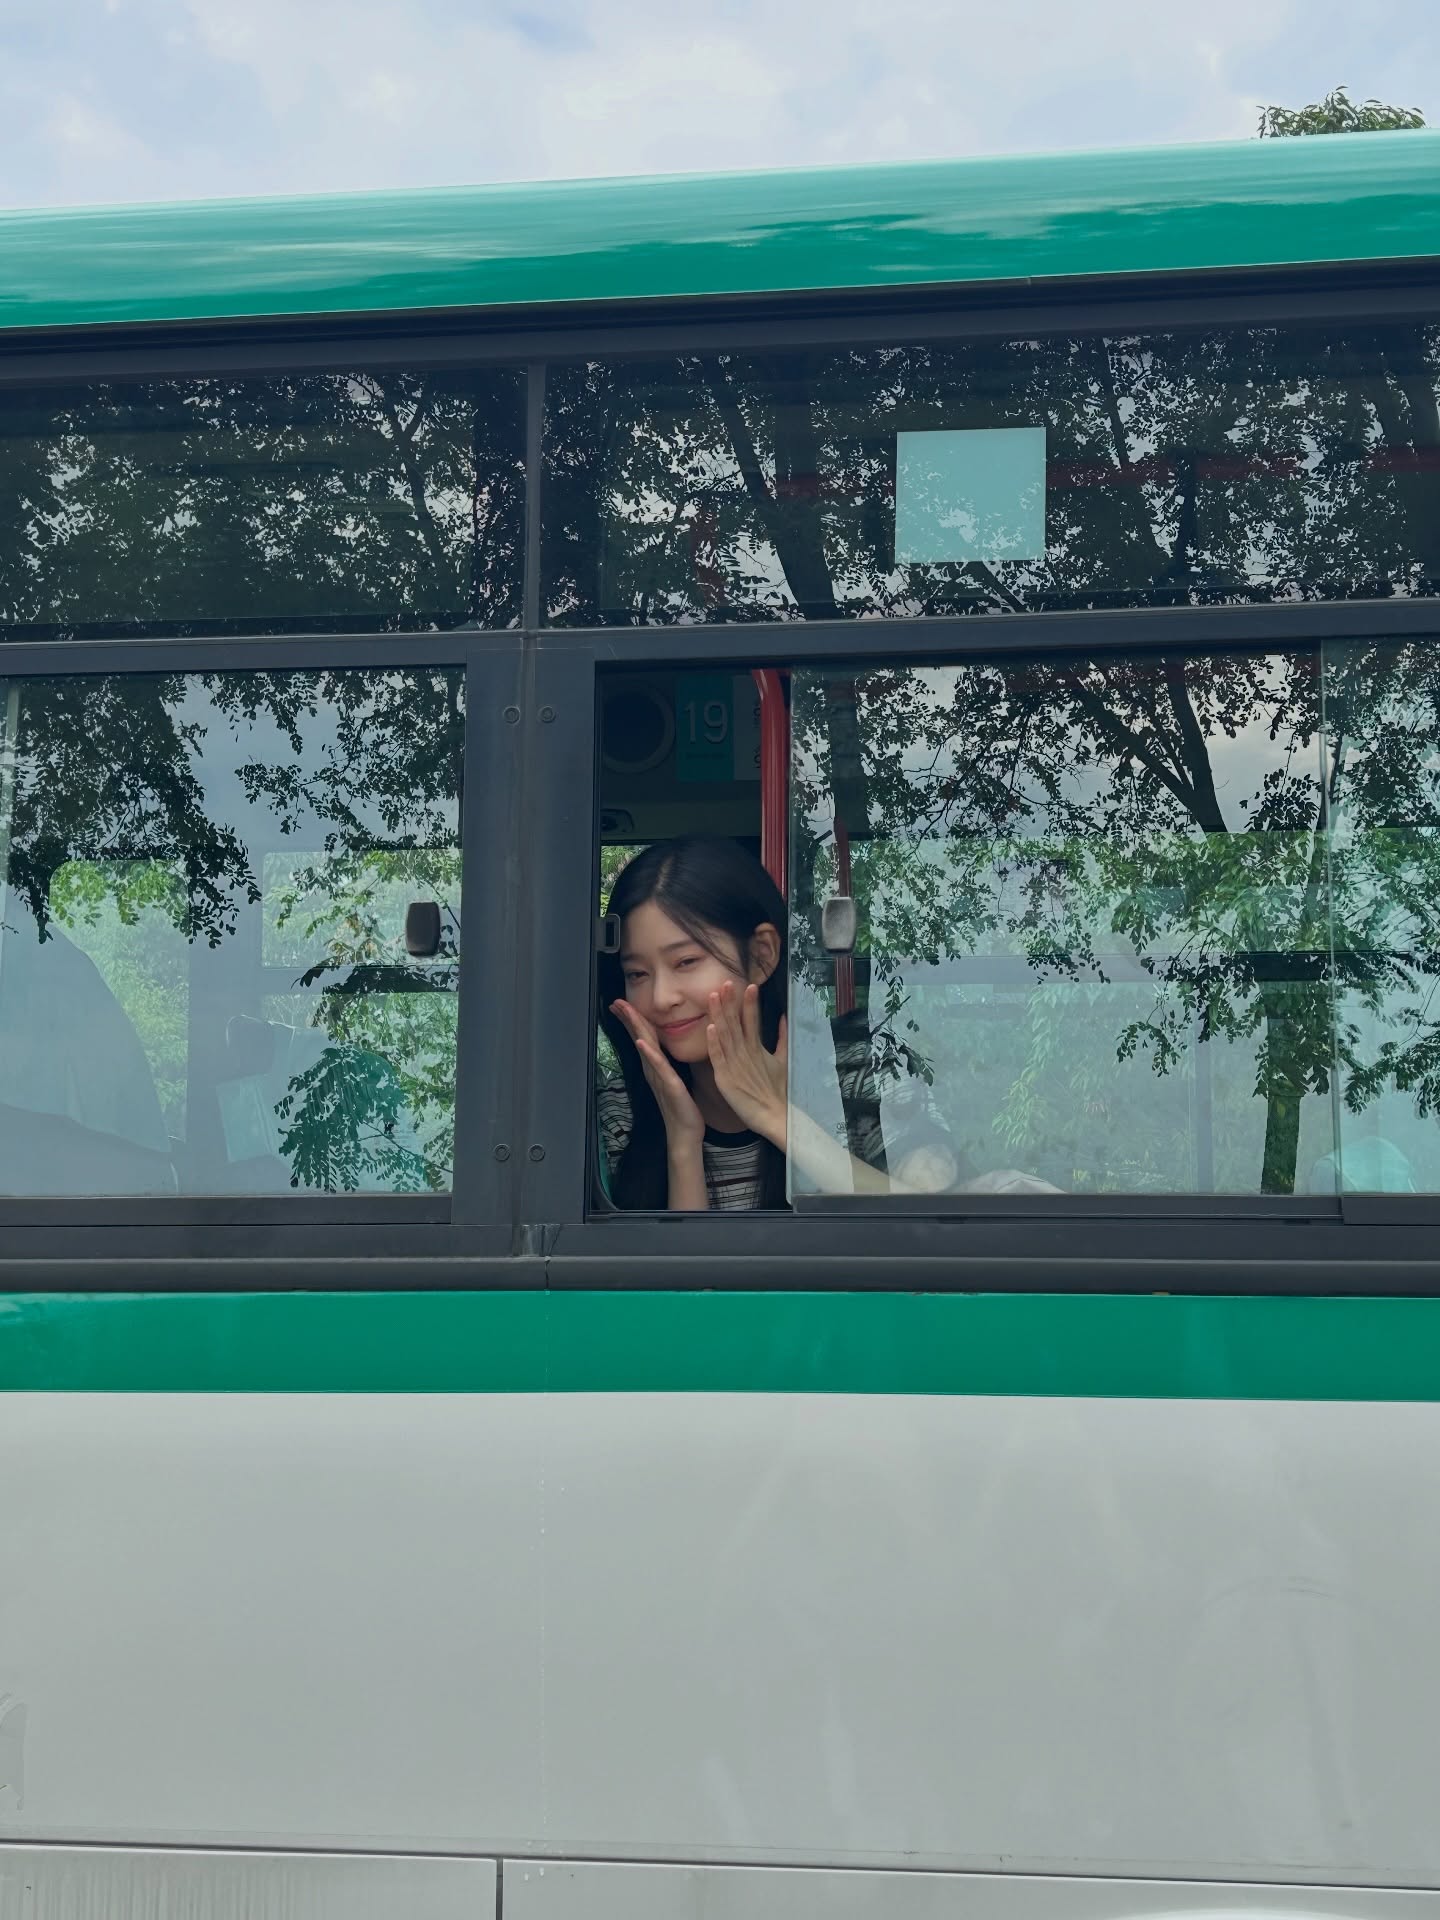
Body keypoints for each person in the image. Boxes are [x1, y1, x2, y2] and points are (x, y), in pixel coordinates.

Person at [598, 835, 919, 1210]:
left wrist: (775, 1114)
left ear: (762, 956)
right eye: (637, 974)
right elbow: (680, 1255)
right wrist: (682, 1143)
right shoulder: (621, 1109)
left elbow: (935, 1225)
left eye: (686, 962)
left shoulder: (860, 1069)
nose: (661, 998)